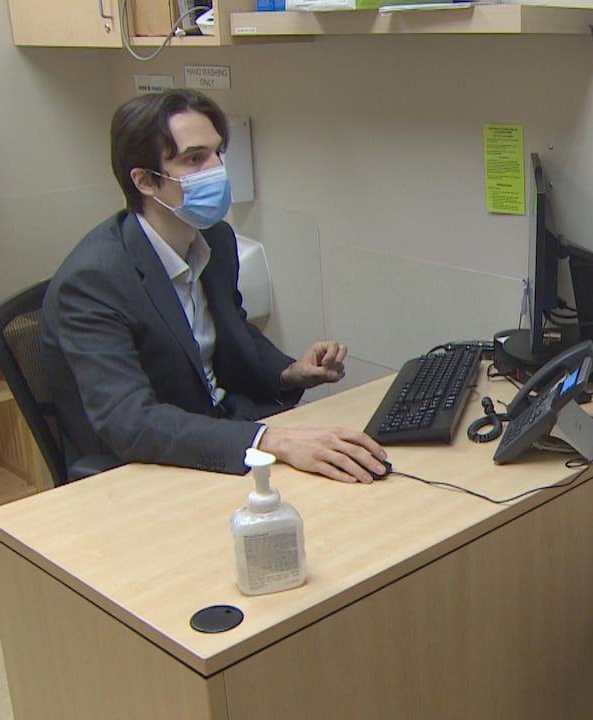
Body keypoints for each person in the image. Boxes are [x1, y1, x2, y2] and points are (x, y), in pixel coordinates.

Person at [41, 89, 388, 483]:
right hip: (145, 469)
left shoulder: (215, 240)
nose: (217, 169)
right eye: (194, 159)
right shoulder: (93, 281)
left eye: (218, 153)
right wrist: (270, 440)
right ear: (145, 181)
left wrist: (290, 372)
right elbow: (130, 422)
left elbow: (232, 330)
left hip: (224, 431)